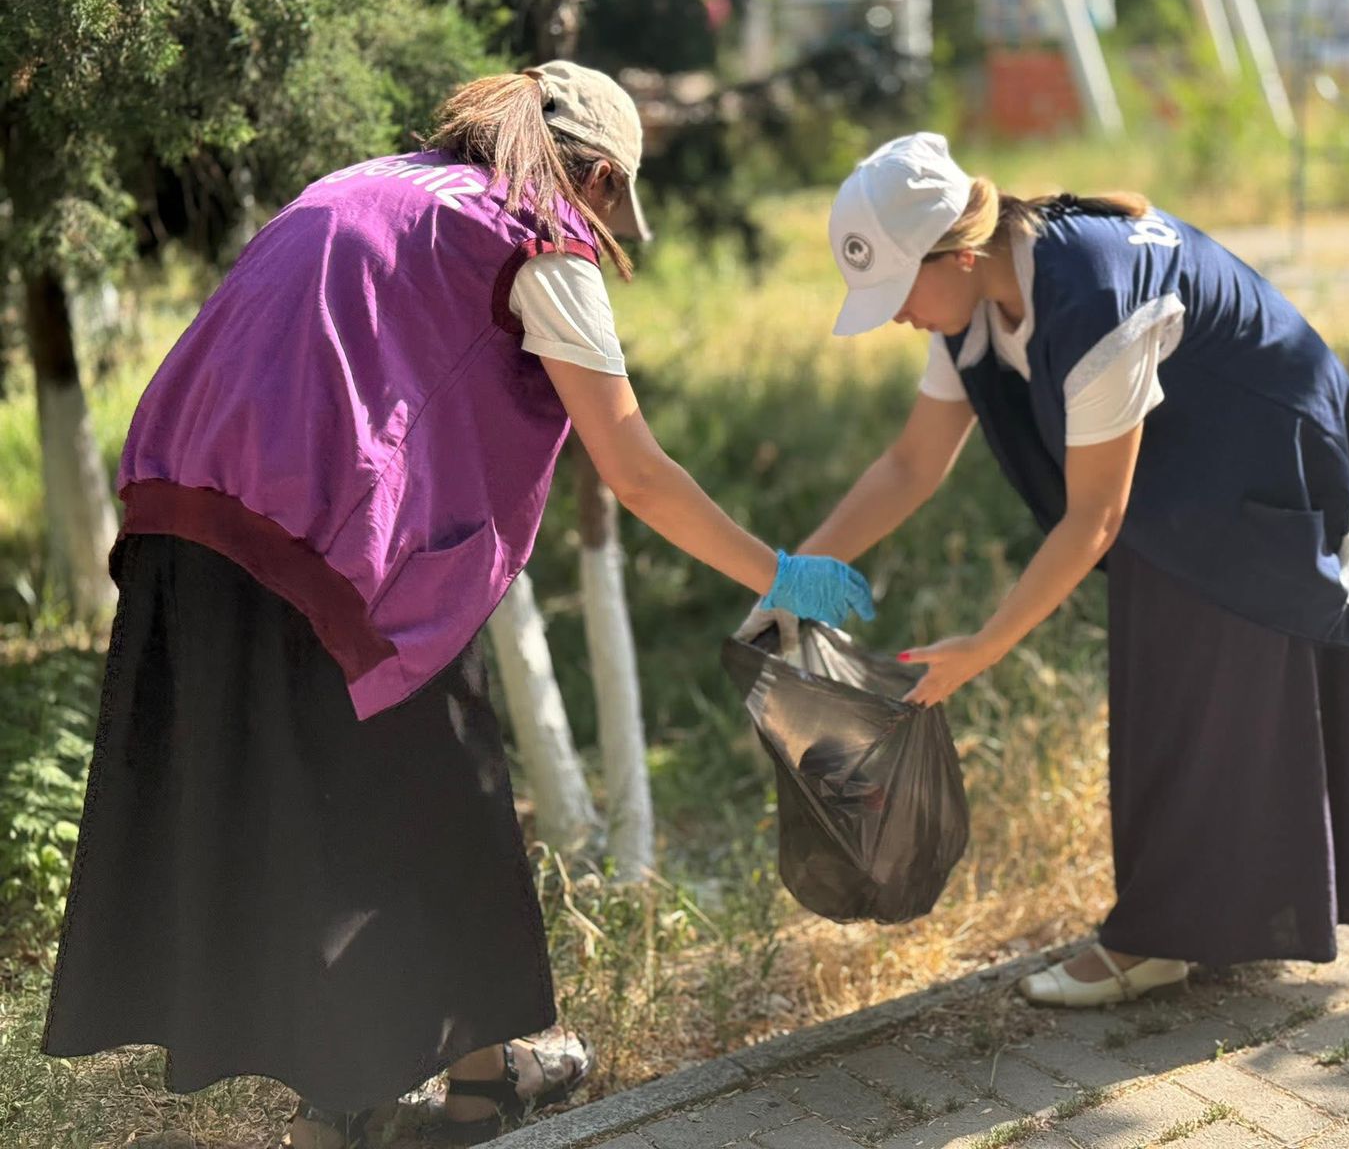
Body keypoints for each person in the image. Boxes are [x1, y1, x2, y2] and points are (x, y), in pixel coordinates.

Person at [40, 63, 874, 1149]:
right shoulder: (535, 240)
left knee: (364, 799)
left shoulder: (366, 183)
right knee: (424, 795)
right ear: (603, 177)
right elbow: (635, 468)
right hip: (323, 549)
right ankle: (411, 1095)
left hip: (175, 522)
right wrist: (775, 572)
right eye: (619, 200)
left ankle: (426, 1082)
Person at [743, 132, 1349, 1007]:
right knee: (1173, 688)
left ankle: (1156, 943)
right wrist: (792, 582)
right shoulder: (971, 304)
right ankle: (1185, 934)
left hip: (1267, 458)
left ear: (961, 255)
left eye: (898, 291)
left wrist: (985, 644)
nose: (895, 316)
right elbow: (910, 466)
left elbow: (1095, 518)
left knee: (1216, 689)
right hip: (1190, 474)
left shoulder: (1090, 296)